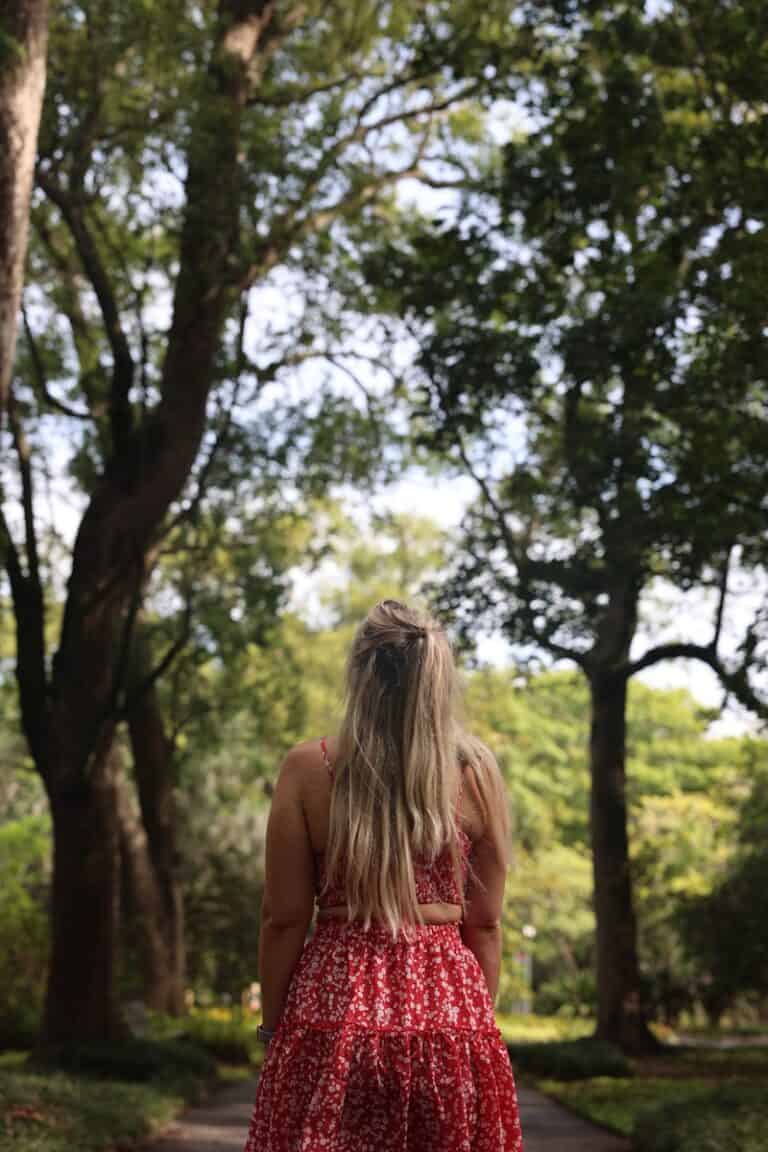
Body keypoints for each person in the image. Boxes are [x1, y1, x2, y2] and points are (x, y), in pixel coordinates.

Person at [243, 599, 524, 1151]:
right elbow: (486, 924)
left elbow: (284, 919)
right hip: (448, 1011)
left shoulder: (308, 768)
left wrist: (274, 1030)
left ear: (359, 671)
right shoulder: (476, 771)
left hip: (333, 1010)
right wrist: (471, 1024)